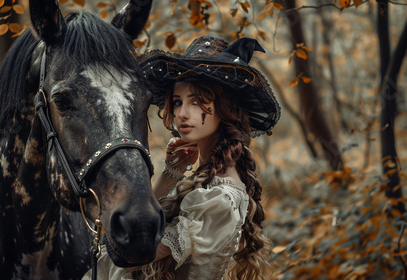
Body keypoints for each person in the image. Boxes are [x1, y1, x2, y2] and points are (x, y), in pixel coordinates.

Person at [83, 35, 280, 280]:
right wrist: (170, 174)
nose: (182, 114)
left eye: (197, 101)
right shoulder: (207, 180)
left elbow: (130, 254)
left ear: (225, 107)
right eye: (177, 102)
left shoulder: (218, 199)